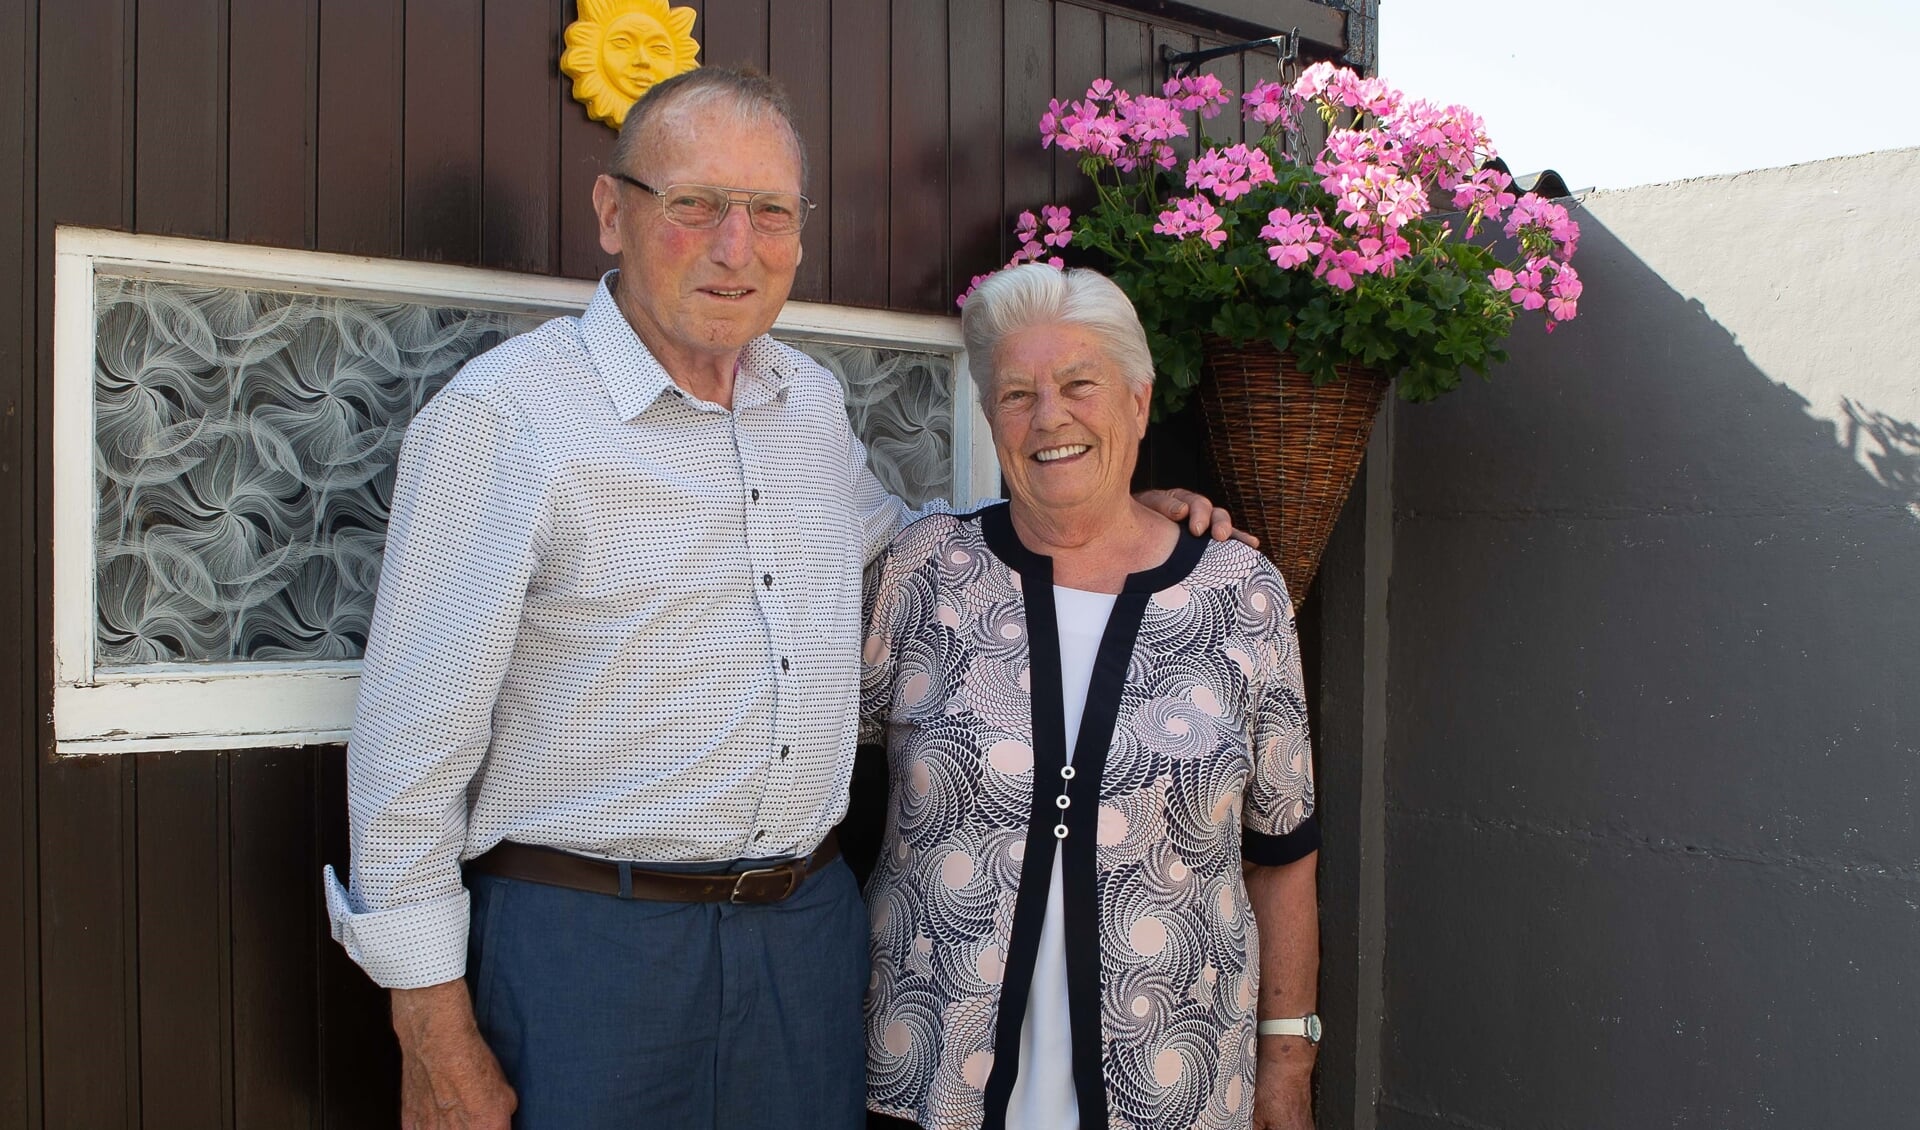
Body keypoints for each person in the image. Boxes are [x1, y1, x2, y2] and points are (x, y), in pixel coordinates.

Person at [320, 68, 1240, 1130]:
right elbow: (407, 750)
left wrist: (1110, 511)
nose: (734, 245)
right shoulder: (506, 420)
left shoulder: (805, 401)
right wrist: (429, 1024)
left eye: (767, 212)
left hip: (803, 937)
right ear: (613, 213)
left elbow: (905, 546)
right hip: (589, 947)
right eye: (695, 205)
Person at [860, 264, 1322, 1130]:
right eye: (1016, 394)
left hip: (1177, 1090)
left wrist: (1288, 1063)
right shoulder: (923, 574)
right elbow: (822, 792)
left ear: (1139, 404)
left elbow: (1282, 853)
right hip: (932, 1091)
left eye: (1080, 385)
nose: (1050, 417)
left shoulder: (1241, 595)